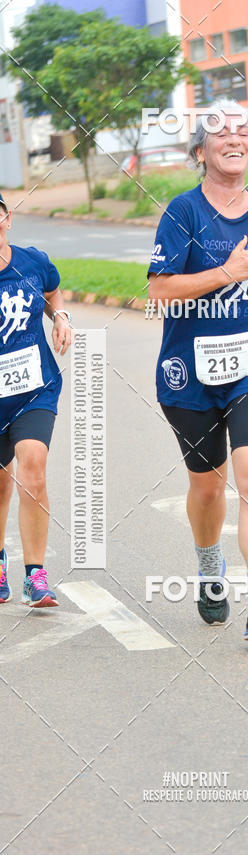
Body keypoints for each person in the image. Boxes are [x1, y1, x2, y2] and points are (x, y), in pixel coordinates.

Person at [148, 99, 248, 643]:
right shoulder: (182, 212)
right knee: (208, 486)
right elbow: (160, 290)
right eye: (220, 133)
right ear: (201, 152)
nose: (234, 138)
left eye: (243, 131)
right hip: (188, 373)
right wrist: (227, 271)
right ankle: (209, 564)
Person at [0, 192, 72, 607]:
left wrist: (60, 316)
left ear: (7, 219)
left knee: (33, 469)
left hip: (34, 387)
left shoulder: (32, 262)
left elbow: (52, 289)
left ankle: (35, 575)